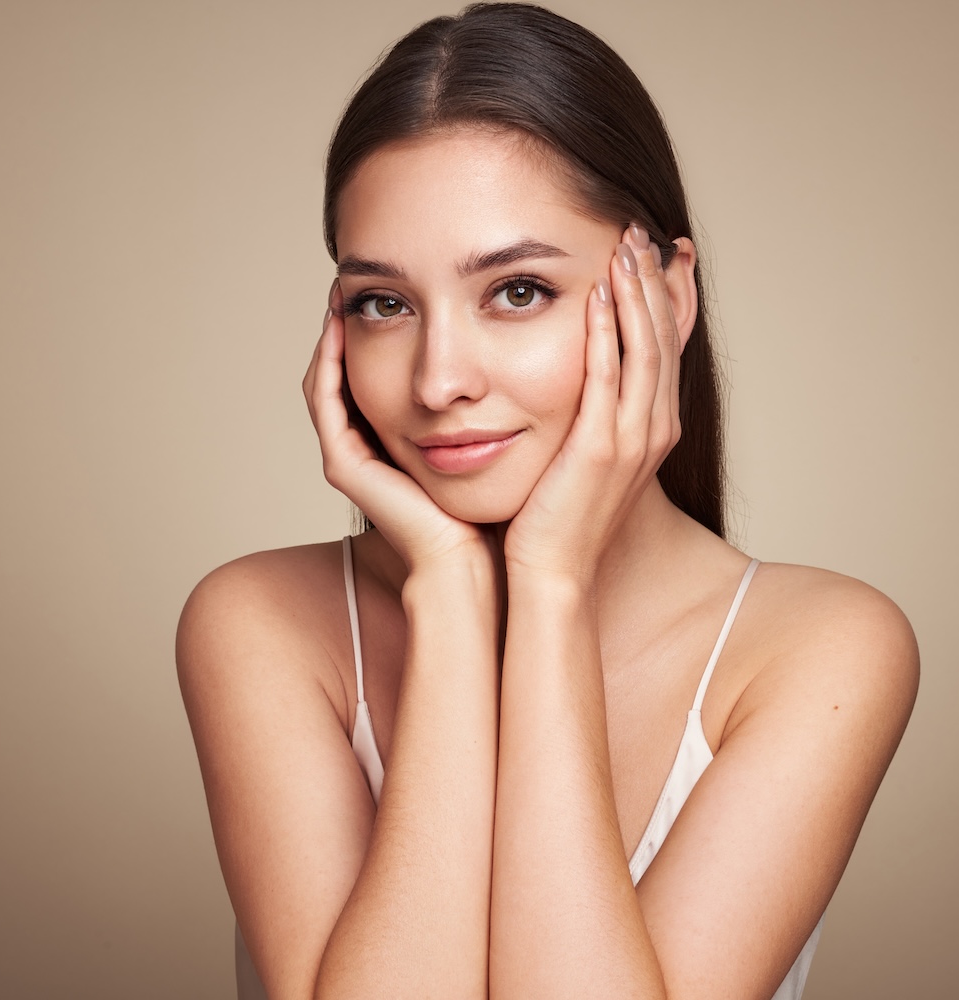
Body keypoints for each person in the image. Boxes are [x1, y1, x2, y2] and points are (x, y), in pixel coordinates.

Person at [176, 4, 919, 998]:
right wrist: (447, 595)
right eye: (384, 303)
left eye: (517, 290)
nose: (438, 380)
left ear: (668, 295)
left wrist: (551, 583)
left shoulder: (823, 650)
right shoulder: (260, 624)